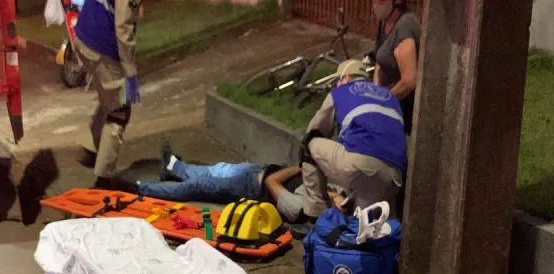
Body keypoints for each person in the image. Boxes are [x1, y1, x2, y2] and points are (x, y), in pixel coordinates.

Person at [291, 59, 408, 237]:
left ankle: (316, 219)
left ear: (345, 78)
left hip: (361, 166)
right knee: (368, 233)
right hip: (395, 176)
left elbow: (315, 131)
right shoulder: (390, 97)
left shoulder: (341, 92)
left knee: (309, 145)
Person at [109, 142, 348, 224]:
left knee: (197, 187)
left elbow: (273, 182)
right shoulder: (333, 190)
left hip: (251, 186)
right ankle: (173, 166)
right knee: (214, 170)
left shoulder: (301, 208)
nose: (342, 200)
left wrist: (301, 167)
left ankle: (138, 187)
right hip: (258, 169)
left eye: (341, 206)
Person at [73, 0, 144, 189]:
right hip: (101, 45)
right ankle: (104, 179)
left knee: (109, 98)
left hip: (84, 38)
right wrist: (130, 73)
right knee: (119, 111)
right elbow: (123, 29)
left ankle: (95, 150)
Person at [372, 0, 421, 135]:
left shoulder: (405, 26)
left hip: (399, 107)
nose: (374, 5)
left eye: (380, 1)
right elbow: (379, 60)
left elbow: (409, 82)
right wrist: (375, 92)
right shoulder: (385, 22)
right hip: (383, 96)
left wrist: (383, 101)